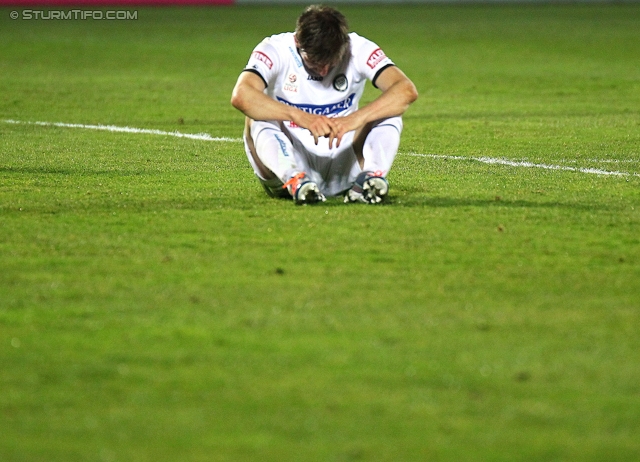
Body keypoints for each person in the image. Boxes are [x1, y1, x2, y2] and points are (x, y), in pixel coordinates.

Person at [230, 4, 418, 205]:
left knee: (389, 111)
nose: (323, 71)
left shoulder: (358, 48)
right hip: (290, 155)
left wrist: (355, 119)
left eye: (331, 62)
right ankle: (295, 179)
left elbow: (405, 90)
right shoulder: (275, 49)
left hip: (343, 158)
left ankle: (370, 179)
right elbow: (242, 95)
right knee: (257, 115)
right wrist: (300, 116)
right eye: (315, 63)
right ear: (297, 42)